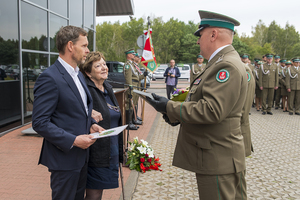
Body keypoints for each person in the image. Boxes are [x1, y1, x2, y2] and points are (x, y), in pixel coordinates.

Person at [147, 10, 248, 199]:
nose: (197, 41)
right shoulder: (219, 62)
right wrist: (175, 116)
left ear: (213, 34)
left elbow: (211, 110)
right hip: (220, 156)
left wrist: (169, 106)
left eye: (200, 35)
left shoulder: (225, 66)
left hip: (218, 157)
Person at [32, 25, 104, 200]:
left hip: (81, 158)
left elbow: (75, 111)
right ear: (70, 46)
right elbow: (40, 122)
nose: (88, 50)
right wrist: (73, 140)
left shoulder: (78, 74)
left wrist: (92, 125)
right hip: (64, 160)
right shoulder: (50, 77)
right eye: (84, 46)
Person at [79, 51, 123, 200]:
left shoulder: (108, 88)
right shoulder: (86, 91)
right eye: (98, 65)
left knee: (99, 193)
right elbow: (77, 113)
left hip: (111, 151)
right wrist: (89, 113)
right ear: (88, 72)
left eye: (104, 64)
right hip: (96, 154)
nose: (104, 67)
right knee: (93, 196)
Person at [123, 49, 146, 130]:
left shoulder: (132, 65)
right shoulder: (128, 65)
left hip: (135, 86)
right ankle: (128, 123)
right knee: (129, 104)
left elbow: (136, 77)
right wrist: (130, 87)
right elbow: (128, 78)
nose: (134, 55)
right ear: (129, 55)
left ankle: (133, 120)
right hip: (132, 87)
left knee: (134, 103)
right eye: (132, 54)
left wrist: (144, 75)